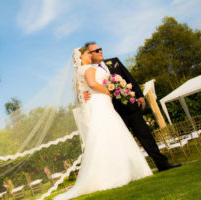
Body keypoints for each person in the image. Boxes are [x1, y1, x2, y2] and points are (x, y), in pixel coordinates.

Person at [53, 47, 152, 200]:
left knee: (104, 137)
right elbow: (92, 84)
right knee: (112, 134)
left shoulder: (78, 73)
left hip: (97, 104)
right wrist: (110, 91)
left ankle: (113, 171)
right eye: (87, 53)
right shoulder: (88, 68)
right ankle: (119, 173)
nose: (89, 55)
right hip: (101, 104)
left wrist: (82, 96)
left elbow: (79, 92)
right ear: (82, 57)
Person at [83, 42, 182, 171]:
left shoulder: (114, 62)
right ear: (90, 55)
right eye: (96, 51)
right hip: (113, 111)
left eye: (100, 49)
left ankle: (162, 164)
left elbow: (129, 78)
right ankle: (127, 171)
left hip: (130, 106)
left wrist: (140, 95)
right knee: (121, 142)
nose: (100, 51)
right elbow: (86, 86)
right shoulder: (90, 70)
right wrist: (84, 94)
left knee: (146, 135)